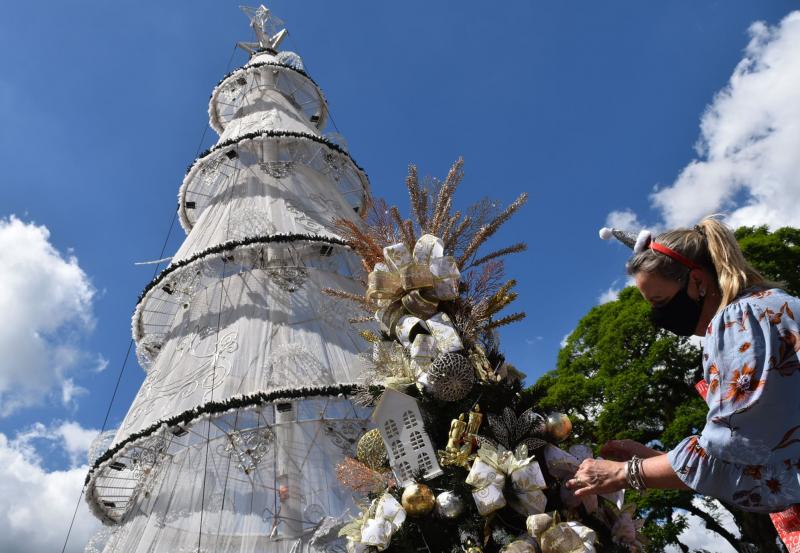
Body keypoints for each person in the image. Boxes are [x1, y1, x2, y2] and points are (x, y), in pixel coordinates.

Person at [565, 217, 800, 519]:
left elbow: (733, 446)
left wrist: (625, 472)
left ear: (698, 282)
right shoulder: (772, 306)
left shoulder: (737, 321)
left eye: (660, 301)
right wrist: (658, 461)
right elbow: (757, 457)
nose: (658, 316)